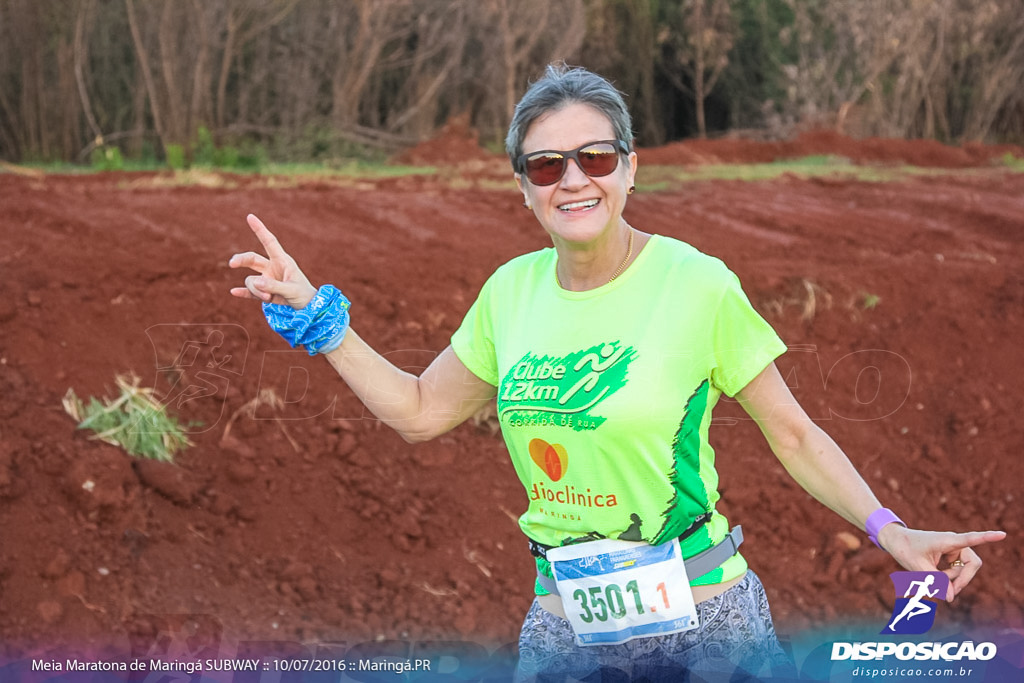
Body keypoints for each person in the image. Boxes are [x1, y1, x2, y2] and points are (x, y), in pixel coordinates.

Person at [229, 64, 1005, 681]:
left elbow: (795, 434)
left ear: (629, 169)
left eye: (594, 157)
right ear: (524, 188)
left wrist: (890, 531)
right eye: (545, 164)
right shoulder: (510, 292)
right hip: (567, 628)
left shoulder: (695, 283)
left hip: (707, 626)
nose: (573, 179)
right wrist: (322, 322)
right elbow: (423, 409)